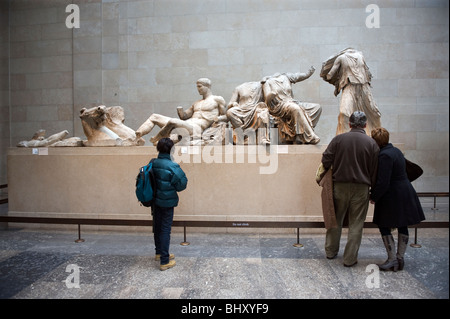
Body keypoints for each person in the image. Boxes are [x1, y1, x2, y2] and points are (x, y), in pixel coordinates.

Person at [321, 111, 379, 267]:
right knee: (356, 224)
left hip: (339, 186)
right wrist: (373, 191)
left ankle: (330, 251)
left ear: (350, 124)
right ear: (365, 125)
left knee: (335, 220)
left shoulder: (338, 139)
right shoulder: (371, 143)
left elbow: (325, 159)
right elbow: (375, 170)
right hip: (361, 189)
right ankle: (349, 259)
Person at [370, 127, 425, 271]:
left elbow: (383, 182)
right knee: (402, 224)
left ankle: (392, 259)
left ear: (376, 142)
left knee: (383, 225)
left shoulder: (384, 156)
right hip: (405, 191)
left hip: (393, 194)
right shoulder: (396, 151)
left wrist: (374, 197)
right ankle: (400, 259)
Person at [135, 78, 226, 145]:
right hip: (187, 124)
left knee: (173, 121)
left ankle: (156, 139)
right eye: (197, 87)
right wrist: (180, 110)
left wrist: (216, 120)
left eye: (199, 86)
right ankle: (137, 136)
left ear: (207, 86)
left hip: (197, 128)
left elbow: (225, 117)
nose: (198, 89)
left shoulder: (217, 99)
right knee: (154, 117)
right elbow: (184, 116)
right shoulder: (196, 103)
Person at [321, 48, 381, 135]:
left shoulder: (361, 56)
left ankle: (377, 136)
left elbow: (367, 72)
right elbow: (330, 74)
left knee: (374, 112)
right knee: (344, 112)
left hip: (364, 87)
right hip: (349, 87)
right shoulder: (341, 58)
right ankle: (344, 138)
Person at [152, 137, 188, 271]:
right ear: (171, 150)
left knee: (157, 226)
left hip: (154, 201)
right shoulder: (173, 166)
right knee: (165, 229)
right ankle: (164, 261)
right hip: (167, 202)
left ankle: (159, 252)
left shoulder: (153, 163)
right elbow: (182, 185)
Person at [260, 67, 322, 144]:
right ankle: (310, 136)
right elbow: (267, 100)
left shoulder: (286, 77)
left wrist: (309, 73)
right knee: (295, 108)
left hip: (292, 102)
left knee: (317, 107)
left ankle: (301, 134)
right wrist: (271, 95)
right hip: (279, 106)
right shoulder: (267, 82)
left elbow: (300, 76)